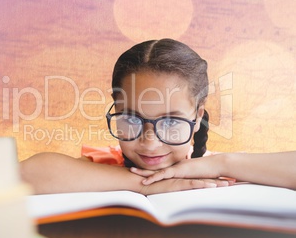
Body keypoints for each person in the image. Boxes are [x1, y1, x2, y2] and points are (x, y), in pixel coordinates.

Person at [20, 39, 296, 195]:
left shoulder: (215, 170)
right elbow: (26, 175)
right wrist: (143, 184)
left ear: (197, 116)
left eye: (172, 122)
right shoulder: (99, 168)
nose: (150, 144)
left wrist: (224, 162)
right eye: (131, 119)